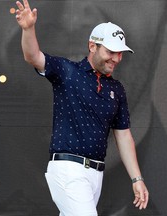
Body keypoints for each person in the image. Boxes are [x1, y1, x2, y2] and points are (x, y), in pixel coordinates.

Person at [15, 0, 149, 215]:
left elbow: (123, 136)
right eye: (111, 51)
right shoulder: (68, 72)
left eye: (121, 52)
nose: (117, 58)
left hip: (96, 175)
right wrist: (28, 29)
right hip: (68, 169)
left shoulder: (117, 89)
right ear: (92, 46)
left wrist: (137, 179)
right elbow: (33, 56)